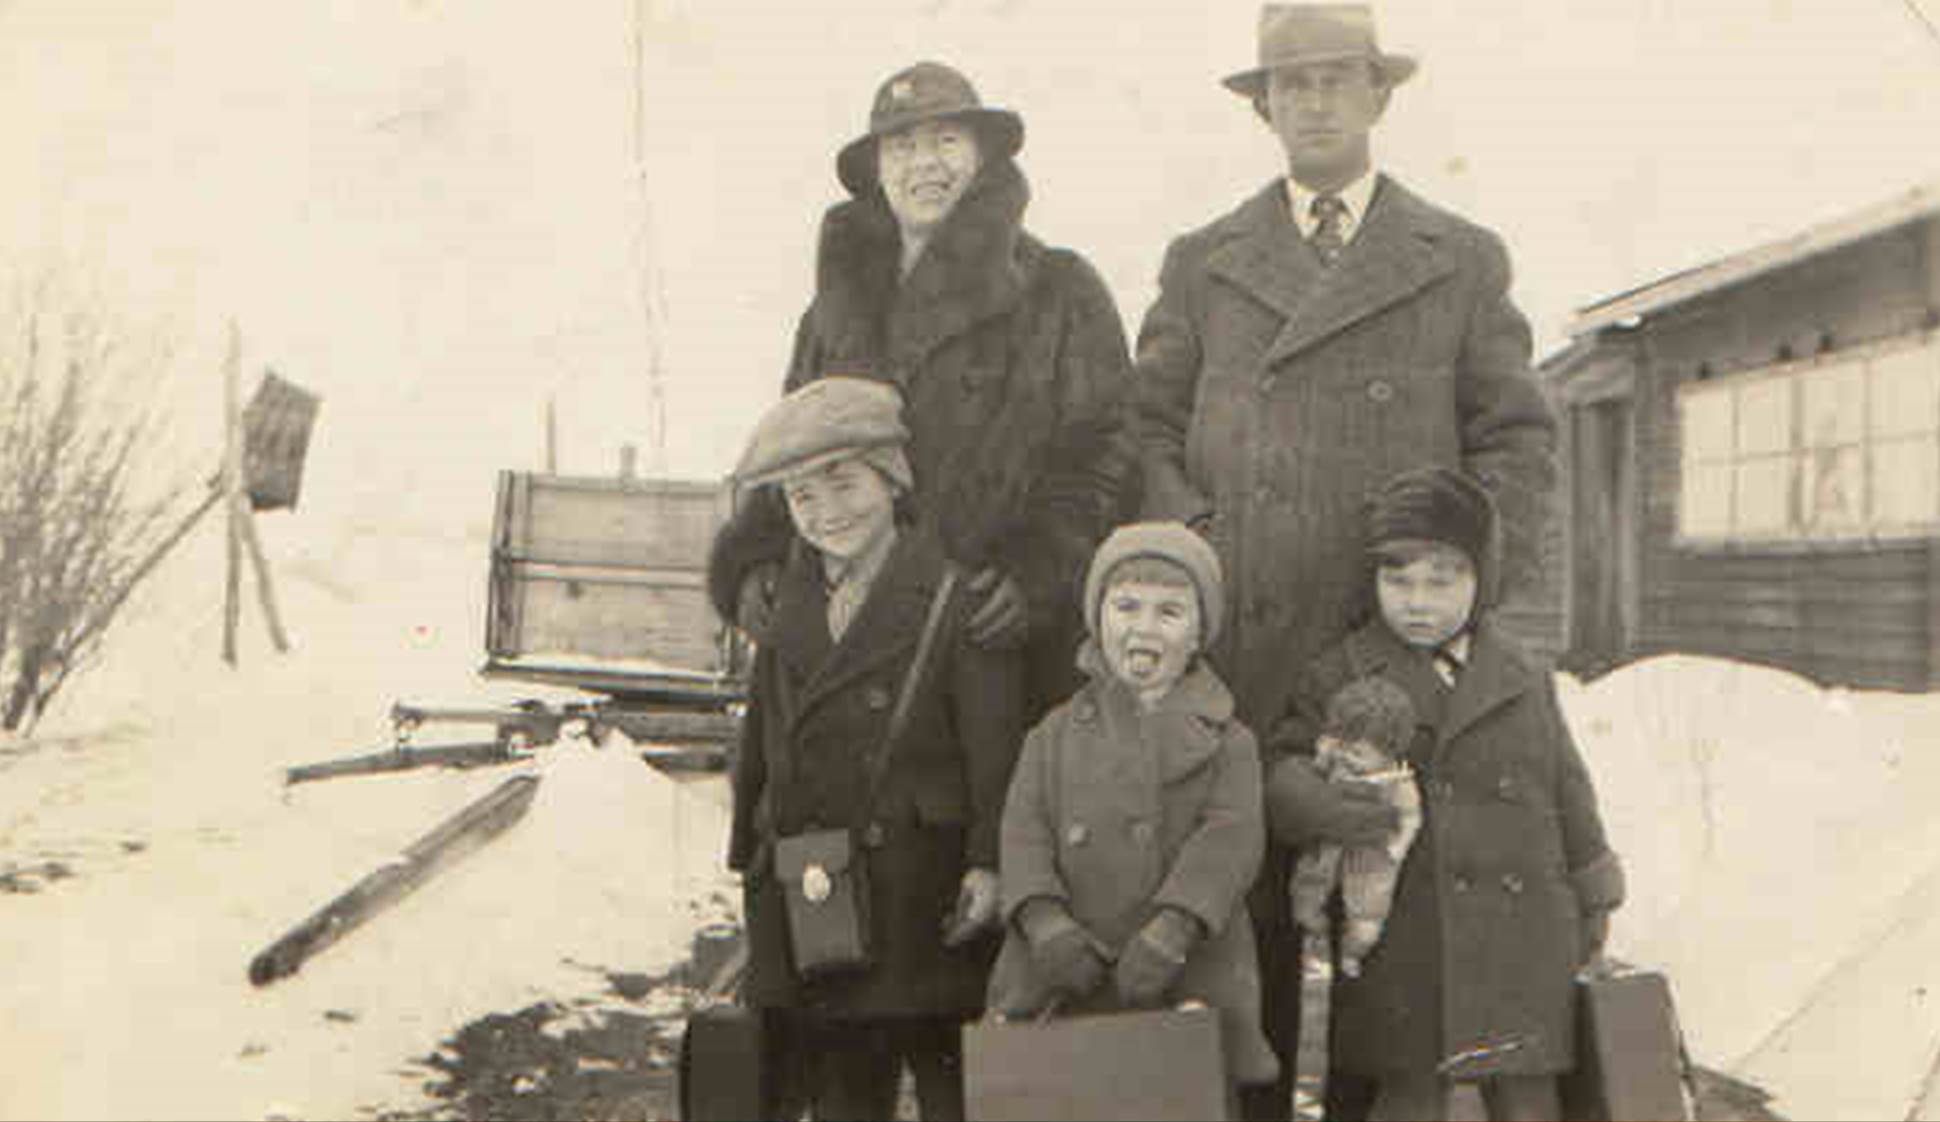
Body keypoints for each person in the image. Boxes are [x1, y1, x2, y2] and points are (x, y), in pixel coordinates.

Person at [1128, 7, 1560, 1112]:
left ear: (1377, 96)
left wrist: (1455, 593)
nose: (1313, 101)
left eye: (1335, 79)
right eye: (1291, 84)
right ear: (1261, 106)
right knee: (1247, 958)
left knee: (1394, 971)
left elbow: (1513, 440)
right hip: (1246, 656)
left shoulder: (1457, 259)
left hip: (1397, 650)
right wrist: (1201, 556)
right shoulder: (1202, 262)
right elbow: (1141, 432)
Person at [709, 59, 1135, 724]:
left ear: (983, 157)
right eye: (902, 146)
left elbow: (1104, 452)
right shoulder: (831, 314)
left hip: (982, 633)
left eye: (946, 141)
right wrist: (754, 559)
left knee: (981, 816)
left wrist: (1041, 569)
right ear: (877, 171)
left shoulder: (1061, 290)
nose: (924, 164)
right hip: (844, 629)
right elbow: (791, 450)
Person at [1270, 466, 1625, 1121]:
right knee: (1410, 1091)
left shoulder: (1520, 673)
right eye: (1397, 580)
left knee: (1525, 1093)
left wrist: (1594, 883)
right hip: (1404, 933)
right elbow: (1286, 766)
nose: (1418, 601)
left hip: (1523, 933)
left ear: (1481, 580)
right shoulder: (1340, 672)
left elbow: (1568, 785)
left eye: (1443, 580)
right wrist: (1321, 805)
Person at [723, 377, 1025, 1121]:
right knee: (843, 1093)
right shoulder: (783, 601)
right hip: (818, 887)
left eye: (845, 483)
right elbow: (764, 730)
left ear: (893, 479)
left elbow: (993, 746)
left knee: (952, 1088)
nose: (828, 513)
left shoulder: (954, 598)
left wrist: (989, 860)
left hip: (922, 889)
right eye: (803, 498)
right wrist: (752, 851)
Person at [986, 522, 1279, 1098]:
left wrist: (1172, 929)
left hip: (1183, 967)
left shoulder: (1229, 741)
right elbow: (1024, 835)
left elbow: (1230, 843)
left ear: (1200, 633)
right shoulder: (1052, 734)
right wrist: (1046, 925)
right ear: (1098, 620)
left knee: (1176, 1096)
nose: (1144, 628)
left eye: (1169, 613)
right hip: (1065, 970)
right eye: (1126, 607)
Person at [1286, 675, 1421, 982]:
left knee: (1367, 916)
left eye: (1357, 753)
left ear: (1389, 753)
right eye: (1342, 746)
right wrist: (1324, 754)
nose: (1346, 756)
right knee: (1307, 893)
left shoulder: (1398, 782)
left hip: (1371, 858)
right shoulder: (1338, 761)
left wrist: (1398, 846)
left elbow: (1411, 817)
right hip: (1329, 845)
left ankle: (1352, 952)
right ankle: (1315, 945)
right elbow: (1317, 774)